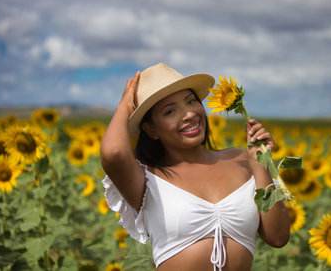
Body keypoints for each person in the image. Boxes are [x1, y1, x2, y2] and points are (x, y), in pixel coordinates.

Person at [100, 63, 290, 271]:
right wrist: (125, 104)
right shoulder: (147, 179)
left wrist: (259, 165)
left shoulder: (241, 160)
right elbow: (113, 153)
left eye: (191, 101)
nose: (189, 114)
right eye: (170, 111)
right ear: (151, 129)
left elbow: (278, 237)